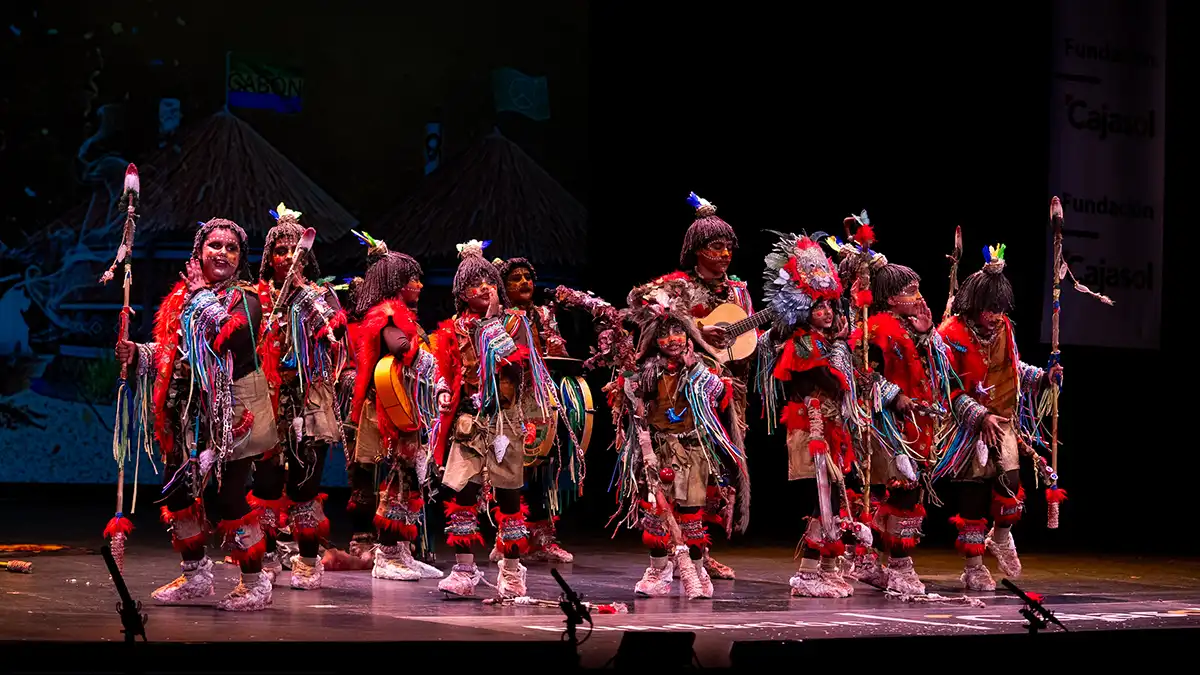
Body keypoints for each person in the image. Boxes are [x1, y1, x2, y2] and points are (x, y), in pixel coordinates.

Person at [115, 218, 278, 611]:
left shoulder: (247, 298)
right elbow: (176, 349)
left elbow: (235, 338)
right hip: (186, 412)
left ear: (240, 258)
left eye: (231, 248)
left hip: (232, 416)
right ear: (198, 252)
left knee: (229, 499)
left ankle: (255, 583)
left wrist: (204, 296)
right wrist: (140, 352)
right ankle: (195, 575)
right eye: (214, 245)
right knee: (179, 493)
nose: (221, 253)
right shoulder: (180, 298)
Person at [624, 192, 753, 580]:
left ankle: (699, 551)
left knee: (714, 473)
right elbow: (637, 302)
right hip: (679, 394)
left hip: (725, 391)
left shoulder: (738, 292)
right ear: (697, 250)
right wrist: (696, 330)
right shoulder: (677, 287)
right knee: (674, 471)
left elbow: (744, 341)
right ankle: (670, 549)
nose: (726, 254)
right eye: (717, 247)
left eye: (729, 246)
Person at [429, 241, 561, 598]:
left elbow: (517, 363)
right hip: (468, 421)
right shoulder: (452, 328)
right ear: (461, 292)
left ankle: (513, 571)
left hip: (505, 419)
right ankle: (464, 569)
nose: (483, 288)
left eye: (489, 281)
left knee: (509, 497)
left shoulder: (514, 322)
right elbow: (447, 369)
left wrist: (491, 324)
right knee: (463, 492)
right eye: (475, 284)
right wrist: (443, 391)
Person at [608, 285, 746, 600]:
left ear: (687, 335)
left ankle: (696, 572)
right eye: (665, 334)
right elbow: (631, 400)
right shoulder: (645, 371)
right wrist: (628, 374)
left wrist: (694, 366)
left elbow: (718, 395)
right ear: (654, 340)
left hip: (694, 451)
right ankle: (658, 573)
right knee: (656, 514)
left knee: (693, 514)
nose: (672, 339)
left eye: (678, 333)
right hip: (657, 451)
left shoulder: (703, 369)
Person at [937, 244, 1062, 590]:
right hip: (965, 429)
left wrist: (1043, 379)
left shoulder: (1004, 328)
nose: (995, 317)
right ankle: (974, 566)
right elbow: (944, 387)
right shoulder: (949, 335)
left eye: (1000, 310)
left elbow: (1014, 368)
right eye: (990, 311)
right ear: (973, 306)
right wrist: (978, 417)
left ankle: (1001, 537)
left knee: (1010, 483)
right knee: (973, 497)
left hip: (1002, 420)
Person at [245, 204, 347, 590]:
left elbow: (338, 340)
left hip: (310, 400)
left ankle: (307, 557)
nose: (288, 257)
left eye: (295, 250)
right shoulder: (253, 299)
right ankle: (268, 552)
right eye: (280, 251)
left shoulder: (319, 296)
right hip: (267, 399)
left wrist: (306, 299)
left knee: (306, 481)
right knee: (267, 483)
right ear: (269, 258)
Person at [844, 248, 957, 595]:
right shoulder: (875, 328)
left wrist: (926, 335)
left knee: (906, 491)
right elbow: (862, 373)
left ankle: (871, 560)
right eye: (912, 291)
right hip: (885, 426)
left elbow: (941, 369)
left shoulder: (912, 327)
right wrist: (894, 395)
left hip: (916, 425)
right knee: (894, 493)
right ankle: (896, 565)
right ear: (891, 299)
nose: (920, 297)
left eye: (919, 289)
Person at [757, 231, 864, 597]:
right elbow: (827, 381)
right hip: (809, 426)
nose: (827, 312)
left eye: (829, 307)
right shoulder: (801, 343)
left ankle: (829, 568)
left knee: (832, 497)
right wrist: (838, 350)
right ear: (805, 310)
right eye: (818, 307)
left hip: (831, 427)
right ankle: (807, 573)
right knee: (815, 499)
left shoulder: (828, 342)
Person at [345, 234, 444, 582]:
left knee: (408, 479)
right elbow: (400, 347)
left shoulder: (404, 314)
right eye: (410, 279)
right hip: (388, 411)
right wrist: (435, 367)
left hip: (406, 407)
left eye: (418, 278)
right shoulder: (385, 314)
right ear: (394, 284)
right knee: (397, 479)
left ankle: (401, 549)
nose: (418, 284)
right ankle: (386, 554)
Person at [489, 256, 576, 564]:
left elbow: (558, 351)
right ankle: (507, 536)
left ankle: (543, 536)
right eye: (516, 278)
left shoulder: (542, 314)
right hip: (510, 399)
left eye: (528, 276)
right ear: (503, 287)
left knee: (541, 467)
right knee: (509, 467)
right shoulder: (498, 318)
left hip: (540, 399)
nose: (525, 282)